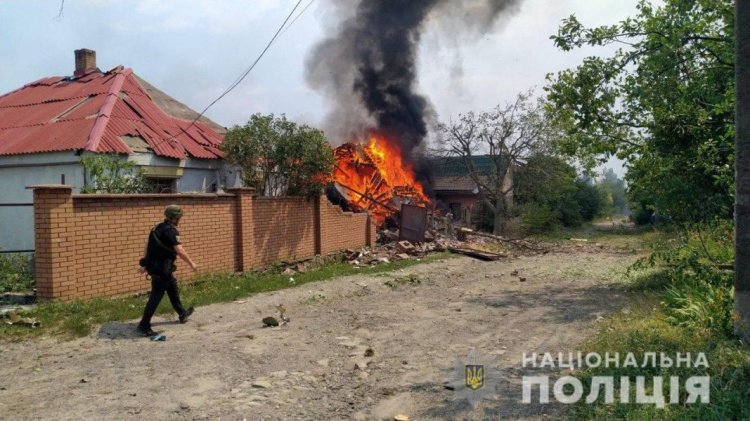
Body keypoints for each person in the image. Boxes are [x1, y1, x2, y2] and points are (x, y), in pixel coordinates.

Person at [136, 204, 198, 336]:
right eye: (179, 218)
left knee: (172, 287)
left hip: (160, 268)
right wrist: (191, 263)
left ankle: (182, 313)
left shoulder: (156, 228)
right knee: (155, 297)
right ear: (174, 218)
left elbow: (147, 245)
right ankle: (143, 325)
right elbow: (179, 250)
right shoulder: (171, 231)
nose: (179, 220)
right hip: (161, 270)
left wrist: (145, 264)